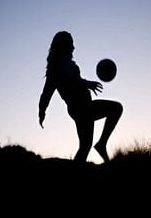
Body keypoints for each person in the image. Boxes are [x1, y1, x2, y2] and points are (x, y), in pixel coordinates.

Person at [38, 31, 123, 162]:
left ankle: (99, 145)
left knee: (85, 147)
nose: (73, 47)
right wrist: (42, 111)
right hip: (81, 108)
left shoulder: (67, 64)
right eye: (70, 44)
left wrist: (86, 83)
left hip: (84, 106)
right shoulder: (57, 68)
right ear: (63, 45)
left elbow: (74, 80)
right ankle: (101, 144)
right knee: (116, 108)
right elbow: (49, 91)